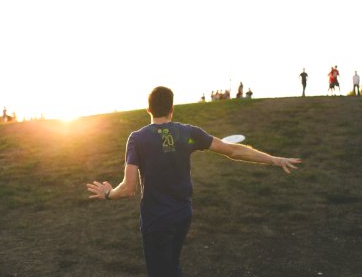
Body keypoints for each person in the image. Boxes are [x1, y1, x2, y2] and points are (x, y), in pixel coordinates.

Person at [86, 86, 301, 277]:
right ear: (172, 108)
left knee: (162, 271)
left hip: (157, 221)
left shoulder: (137, 138)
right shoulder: (188, 132)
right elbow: (233, 150)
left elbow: (128, 188)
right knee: (171, 266)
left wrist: (108, 193)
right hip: (182, 215)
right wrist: (274, 159)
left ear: (148, 109)